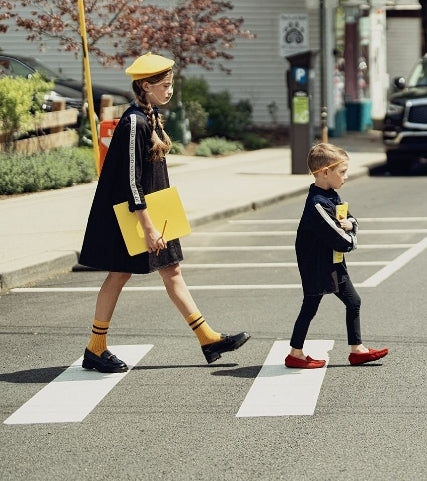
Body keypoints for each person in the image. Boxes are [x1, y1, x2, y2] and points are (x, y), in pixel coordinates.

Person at [79, 52, 250, 373]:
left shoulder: (151, 115)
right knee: (119, 274)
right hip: (135, 214)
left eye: (170, 84)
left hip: (154, 211)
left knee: (171, 272)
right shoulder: (133, 122)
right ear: (146, 86)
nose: (169, 90)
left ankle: (208, 338)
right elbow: (130, 180)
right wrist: (148, 226)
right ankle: (95, 348)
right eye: (165, 85)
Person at [285, 143, 388, 369]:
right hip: (316, 264)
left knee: (354, 301)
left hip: (333, 261)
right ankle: (295, 353)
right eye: (342, 172)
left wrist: (351, 224)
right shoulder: (317, 204)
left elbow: (350, 220)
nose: (346, 176)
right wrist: (351, 235)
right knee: (310, 305)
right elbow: (341, 239)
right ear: (324, 172)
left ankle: (357, 350)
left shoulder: (332, 195)